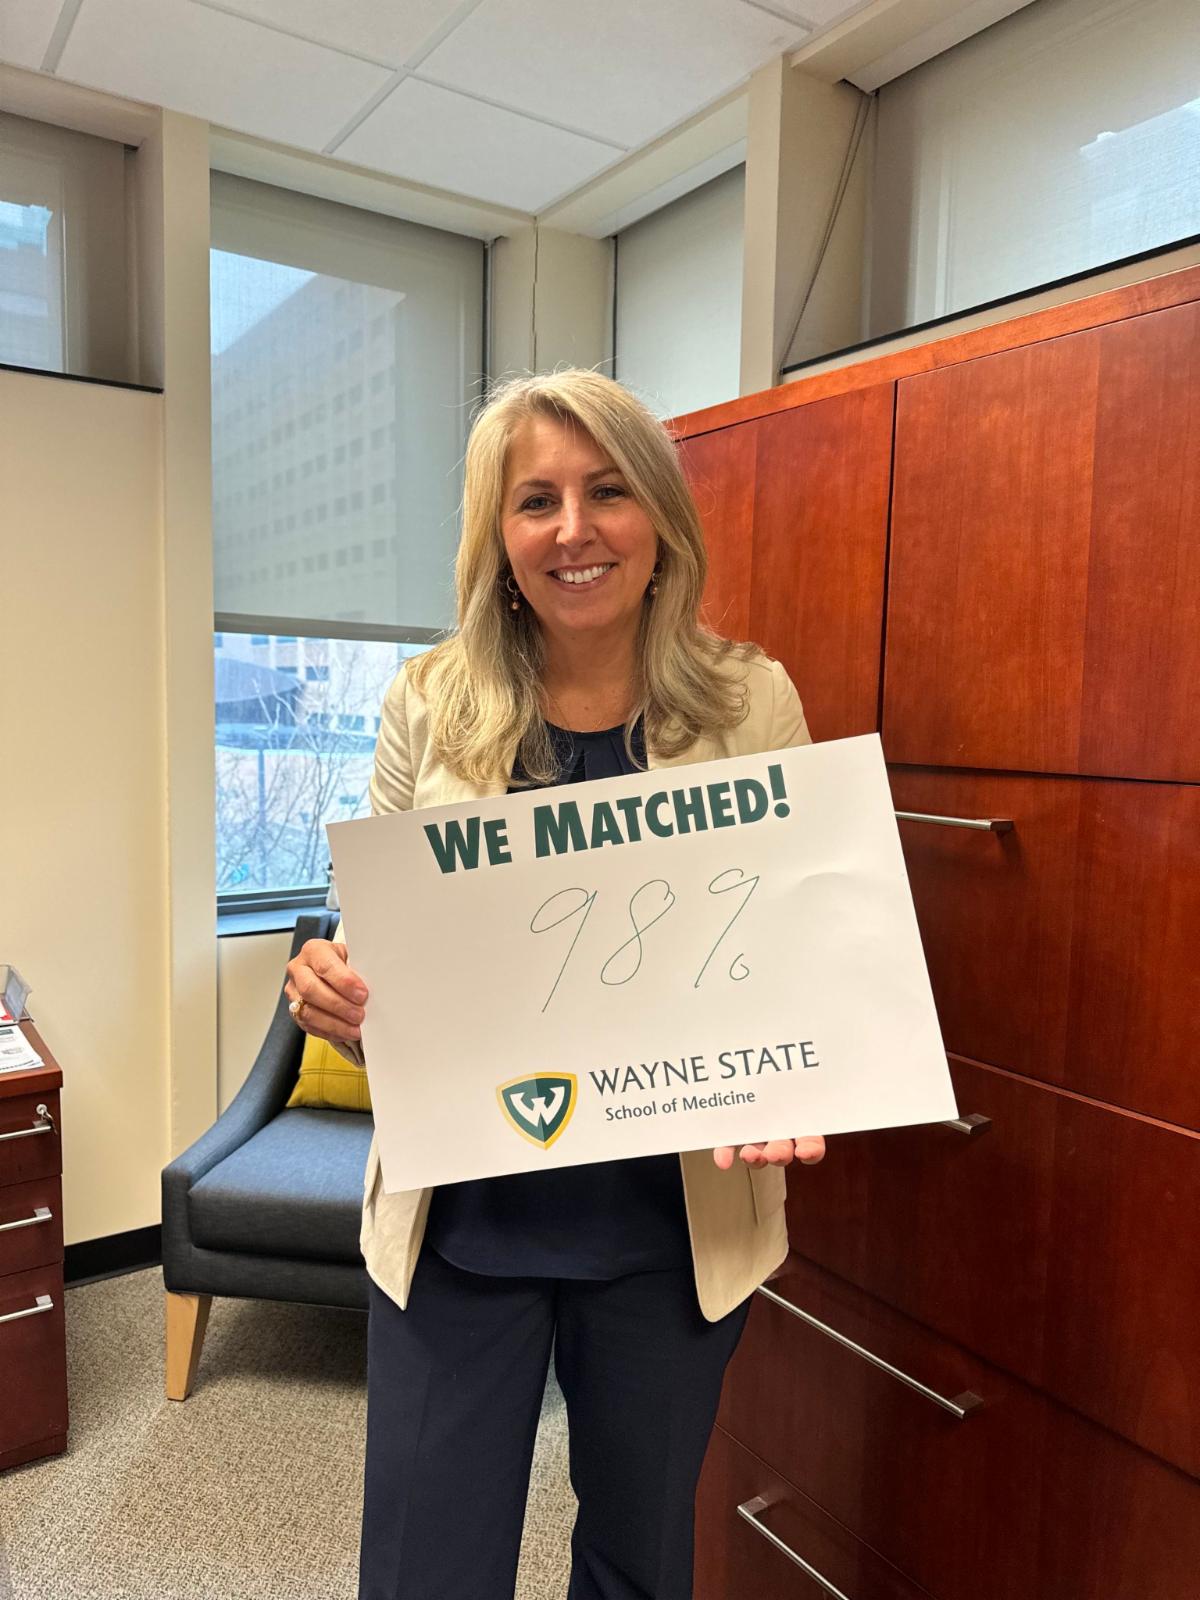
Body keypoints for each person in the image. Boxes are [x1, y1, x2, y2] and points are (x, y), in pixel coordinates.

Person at [283, 369, 827, 1600]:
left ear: (660, 522)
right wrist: (340, 1001)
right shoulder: (428, 702)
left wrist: (801, 1057)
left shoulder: (754, 704)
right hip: (461, 1232)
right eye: (536, 500)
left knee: (637, 1568)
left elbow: (788, 960)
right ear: (501, 539)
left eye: (607, 490)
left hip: (667, 1236)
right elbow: (382, 972)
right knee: (426, 1574)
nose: (573, 529)